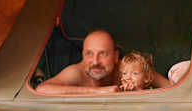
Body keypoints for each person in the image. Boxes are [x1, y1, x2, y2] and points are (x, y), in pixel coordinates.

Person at [36, 30, 169, 95]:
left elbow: (172, 89)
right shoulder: (77, 72)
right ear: (83, 55)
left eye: (103, 54)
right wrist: (97, 92)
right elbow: (42, 89)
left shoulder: (129, 67)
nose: (95, 61)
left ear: (116, 56)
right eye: (89, 54)